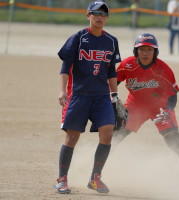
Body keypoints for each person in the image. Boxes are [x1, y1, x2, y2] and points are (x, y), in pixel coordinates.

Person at [113, 33, 179, 180]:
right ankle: (97, 171)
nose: (145, 53)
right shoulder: (127, 65)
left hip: (160, 107)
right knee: (116, 136)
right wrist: (113, 98)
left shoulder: (163, 69)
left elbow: (173, 94)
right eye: (142, 49)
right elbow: (113, 82)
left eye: (149, 50)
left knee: (175, 142)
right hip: (135, 105)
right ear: (136, 51)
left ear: (155, 52)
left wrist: (168, 110)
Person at [54, 0, 121, 194]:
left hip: (101, 96)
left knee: (107, 132)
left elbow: (111, 71)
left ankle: (95, 178)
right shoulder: (78, 38)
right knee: (72, 136)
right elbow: (65, 67)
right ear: (88, 16)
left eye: (103, 14)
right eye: (95, 14)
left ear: (106, 18)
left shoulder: (111, 41)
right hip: (79, 95)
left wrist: (114, 95)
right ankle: (62, 179)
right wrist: (62, 91)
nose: (99, 17)